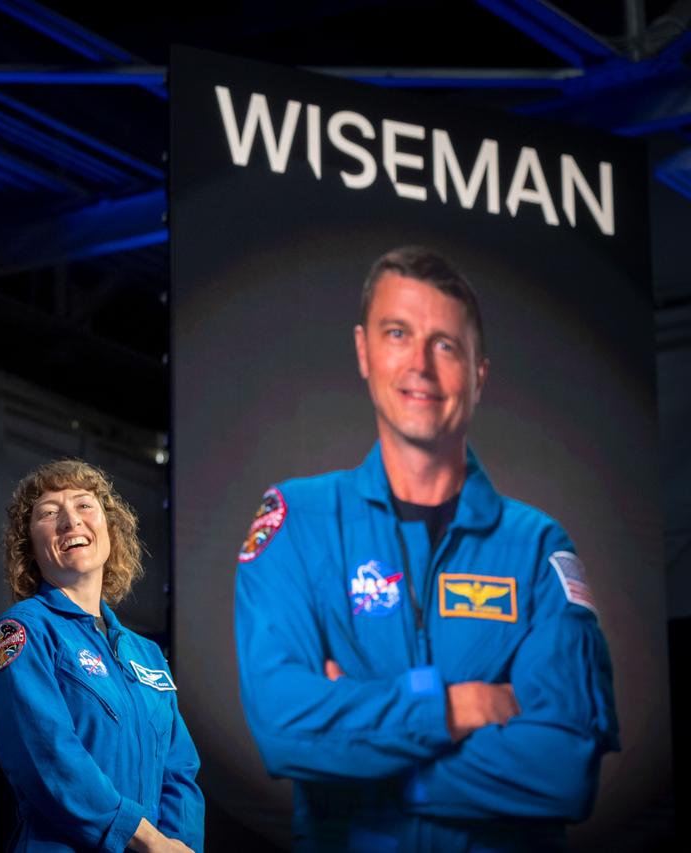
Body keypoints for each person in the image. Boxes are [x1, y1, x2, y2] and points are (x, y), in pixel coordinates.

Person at [234, 246, 619, 850]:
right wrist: (453, 709)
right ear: (363, 351)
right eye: (397, 333)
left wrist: (359, 760)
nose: (420, 364)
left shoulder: (536, 548)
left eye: (445, 345)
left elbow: (564, 770)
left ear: (479, 374)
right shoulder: (300, 522)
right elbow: (284, 728)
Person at [0, 459, 204, 852]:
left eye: (84, 505)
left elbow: (179, 769)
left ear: (110, 530)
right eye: (49, 513)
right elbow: (49, 756)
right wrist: (147, 840)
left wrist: (178, 844)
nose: (71, 521)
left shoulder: (147, 654)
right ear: (29, 549)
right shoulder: (22, 632)